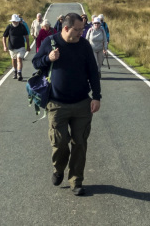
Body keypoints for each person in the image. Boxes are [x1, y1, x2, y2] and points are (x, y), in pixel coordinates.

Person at [32, 13, 101, 196]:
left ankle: (76, 180)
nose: (81, 33)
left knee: (80, 143)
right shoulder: (50, 42)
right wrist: (49, 59)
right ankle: (58, 168)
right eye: (77, 30)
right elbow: (35, 62)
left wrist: (97, 96)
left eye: (82, 29)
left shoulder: (85, 45)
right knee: (60, 142)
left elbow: (93, 72)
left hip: (81, 104)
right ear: (66, 28)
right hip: (56, 104)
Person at [2, 14, 29, 81]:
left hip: (21, 47)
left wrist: (28, 45)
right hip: (12, 47)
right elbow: (4, 37)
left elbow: (26, 36)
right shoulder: (9, 27)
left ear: (18, 21)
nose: (15, 22)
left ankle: (19, 73)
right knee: (14, 60)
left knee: (19, 59)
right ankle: (15, 71)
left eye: (16, 21)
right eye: (14, 21)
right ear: (12, 21)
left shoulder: (22, 26)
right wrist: (5, 46)